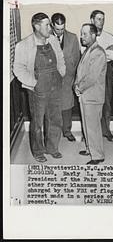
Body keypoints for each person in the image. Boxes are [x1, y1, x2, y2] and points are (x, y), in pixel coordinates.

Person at [13, 12, 66, 163]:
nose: (50, 28)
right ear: (36, 26)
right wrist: (33, 82)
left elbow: (60, 58)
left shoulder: (53, 41)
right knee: (37, 123)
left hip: (55, 86)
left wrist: (61, 72)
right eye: (47, 25)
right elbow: (18, 68)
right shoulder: (23, 45)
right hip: (37, 89)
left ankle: (52, 148)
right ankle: (38, 151)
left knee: (55, 119)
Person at [74, 23, 107, 165]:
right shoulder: (89, 50)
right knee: (87, 125)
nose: (82, 37)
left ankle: (97, 155)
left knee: (93, 127)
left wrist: (79, 88)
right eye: (82, 34)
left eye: (85, 34)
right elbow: (82, 72)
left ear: (93, 35)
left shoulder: (98, 52)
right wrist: (77, 86)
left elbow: (92, 77)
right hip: (86, 96)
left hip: (92, 96)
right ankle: (90, 149)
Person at [51, 13, 80, 142]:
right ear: (52, 26)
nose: (60, 31)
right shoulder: (46, 38)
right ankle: (54, 132)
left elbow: (77, 59)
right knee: (53, 107)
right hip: (52, 80)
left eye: (62, 28)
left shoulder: (73, 38)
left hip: (68, 79)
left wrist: (73, 78)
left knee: (67, 106)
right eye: (57, 29)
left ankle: (67, 131)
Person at [90, 10, 113, 142]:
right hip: (92, 73)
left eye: (103, 19)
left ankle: (106, 130)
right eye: (98, 19)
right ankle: (91, 133)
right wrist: (105, 52)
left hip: (106, 72)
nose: (101, 22)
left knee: (106, 103)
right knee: (93, 103)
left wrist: (99, 53)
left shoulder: (109, 37)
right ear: (92, 20)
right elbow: (87, 55)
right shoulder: (88, 36)